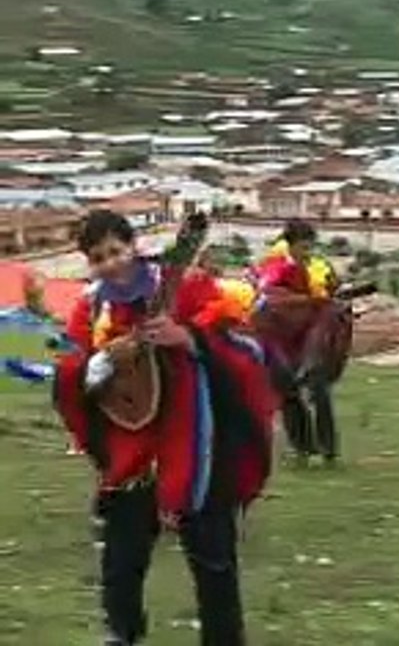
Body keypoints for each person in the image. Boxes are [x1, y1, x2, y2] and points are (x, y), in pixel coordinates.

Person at [53, 210, 276, 646]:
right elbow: (72, 373)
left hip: (200, 448)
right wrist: (101, 362)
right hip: (131, 454)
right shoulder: (93, 307)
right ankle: (121, 634)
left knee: (213, 562)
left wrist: (190, 339)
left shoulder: (186, 285)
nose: (110, 263)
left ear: (133, 245)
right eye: (98, 258)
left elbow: (245, 348)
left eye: (116, 251)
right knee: (121, 561)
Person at [251, 219, 344, 464]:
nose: (307, 252)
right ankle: (302, 446)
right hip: (278, 336)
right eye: (303, 247)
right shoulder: (275, 267)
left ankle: (327, 449)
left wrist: (329, 294)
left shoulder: (317, 266)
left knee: (318, 388)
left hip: (309, 335)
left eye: (310, 247)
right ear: (290, 245)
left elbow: (330, 290)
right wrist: (308, 301)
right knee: (287, 392)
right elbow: (268, 297)